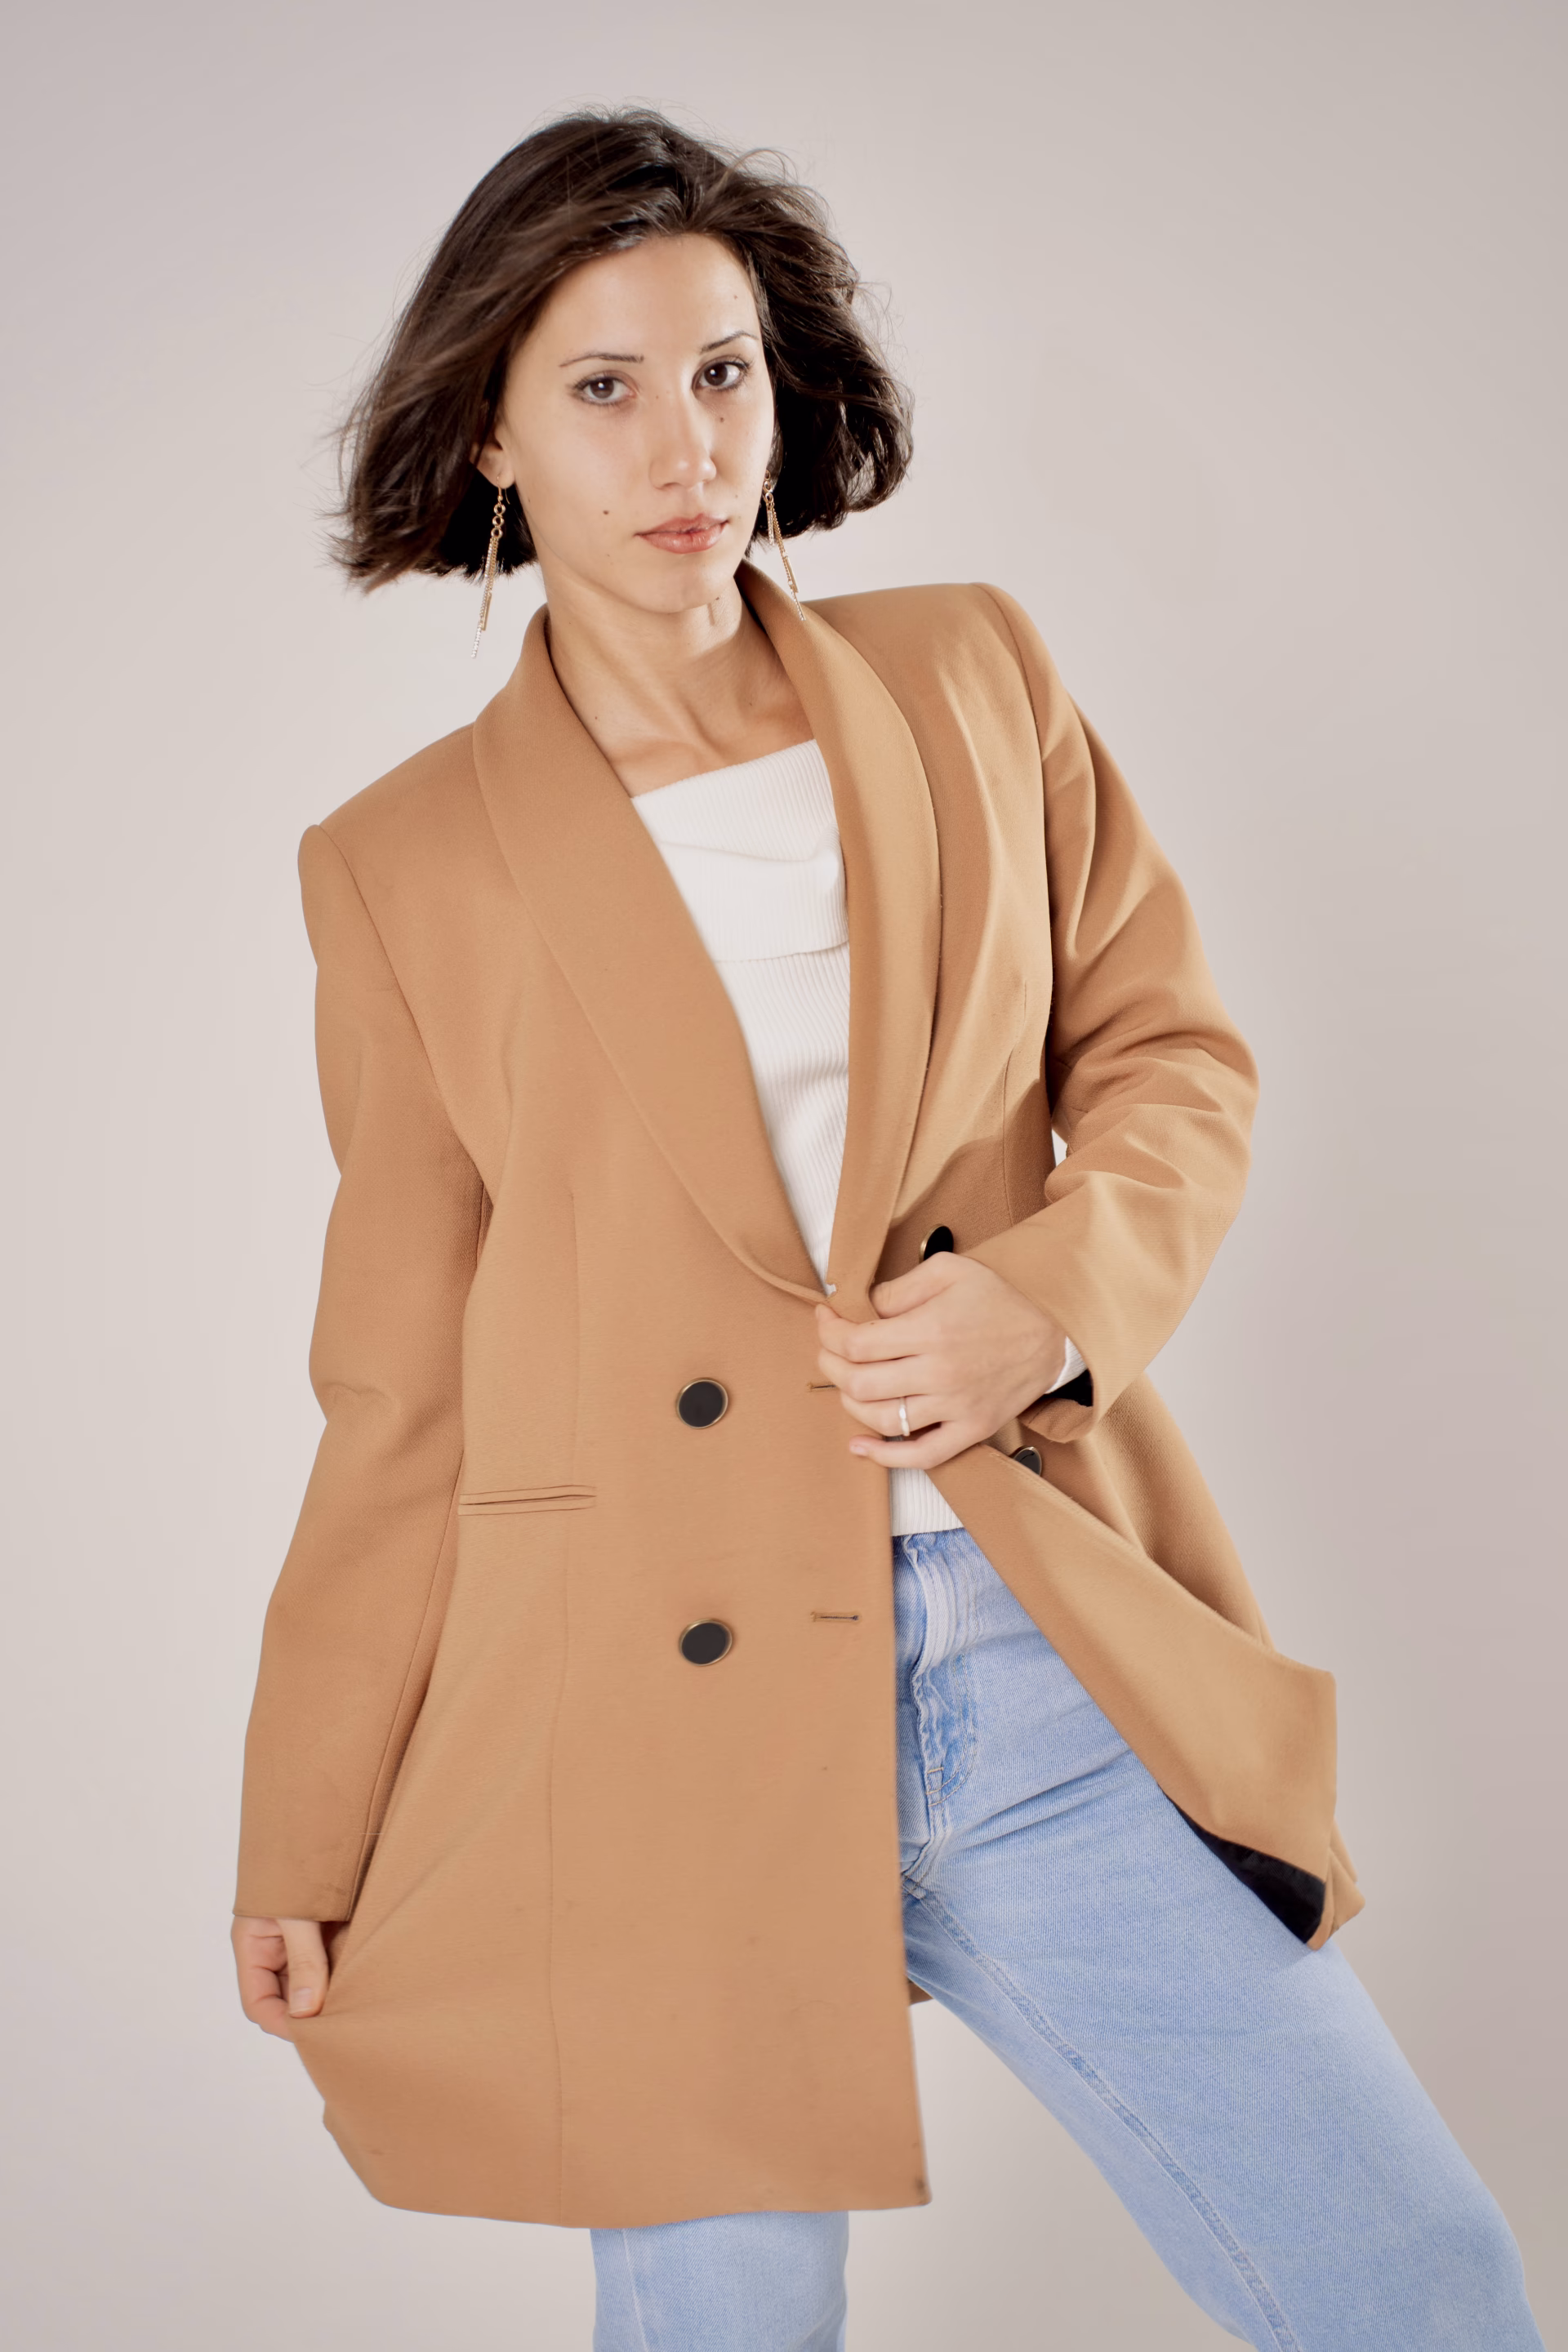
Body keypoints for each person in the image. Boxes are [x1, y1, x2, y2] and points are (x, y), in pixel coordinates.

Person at [230, 108, 1543, 2351]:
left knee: (1416, 2281)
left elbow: (1170, 1057)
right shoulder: (403, 865)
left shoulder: (966, 674)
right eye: (605, 387)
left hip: (1024, 1659)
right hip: (643, 1712)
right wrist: (305, 1825)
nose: (687, 447)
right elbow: (400, 1381)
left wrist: (1047, 1301)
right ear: (492, 435)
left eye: (723, 370)